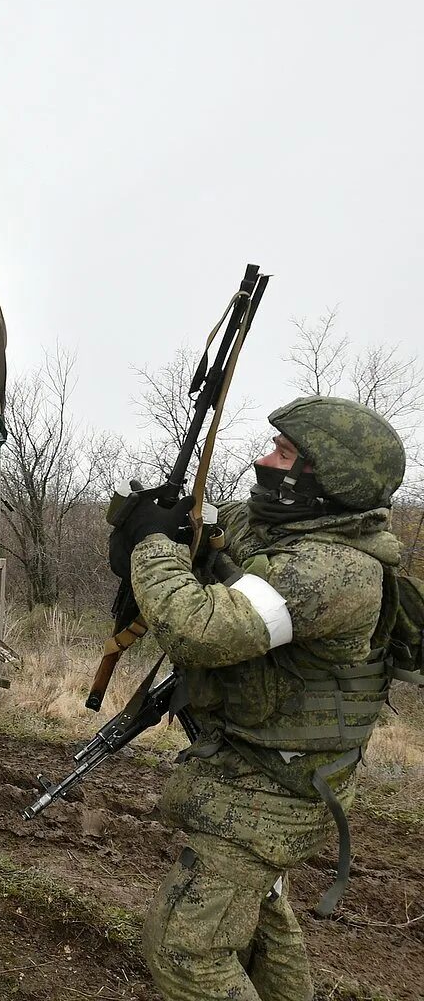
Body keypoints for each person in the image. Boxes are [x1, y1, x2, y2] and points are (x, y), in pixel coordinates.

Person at [111, 396, 405, 1001]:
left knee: (184, 952)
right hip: (273, 775)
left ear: (324, 481)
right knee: (261, 922)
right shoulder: (300, 530)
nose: (264, 461)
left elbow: (196, 626)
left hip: (272, 795)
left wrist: (151, 545)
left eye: (285, 455)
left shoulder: (333, 571)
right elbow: (237, 531)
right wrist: (184, 517)